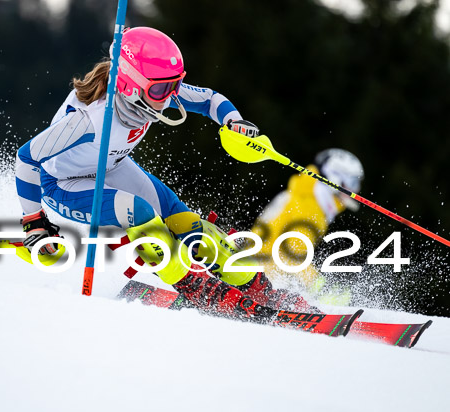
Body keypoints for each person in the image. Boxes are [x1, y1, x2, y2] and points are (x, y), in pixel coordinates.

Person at [16, 26, 318, 320]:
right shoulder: (89, 120)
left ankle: (258, 288)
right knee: (139, 212)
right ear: (129, 84)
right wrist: (35, 223)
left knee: (186, 221)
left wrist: (234, 121)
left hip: (113, 168)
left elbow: (210, 100)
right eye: (162, 88)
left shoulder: (156, 90)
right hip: (63, 184)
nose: (171, 96)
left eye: (175, 84)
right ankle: (195, 287)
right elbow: (27, 157)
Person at [251, 148, 364, 304]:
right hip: (263, 276)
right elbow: (293, 256)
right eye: (352, 182)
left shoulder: (308, 194)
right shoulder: (311, 206)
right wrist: (321, 289)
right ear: (335, 179)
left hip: (261, 271)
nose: (356, 190)